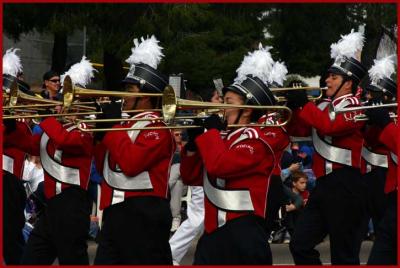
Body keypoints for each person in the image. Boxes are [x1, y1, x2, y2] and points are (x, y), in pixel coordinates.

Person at [180, 44, 277, 265]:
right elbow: (192, 177)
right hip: (214, 233)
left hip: (244, 233)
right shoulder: (224, 138)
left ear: (248, 109)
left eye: (228, 103)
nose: (222, 109)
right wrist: (194, 146)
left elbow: (220, 167)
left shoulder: (256, 141)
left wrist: (211, 134)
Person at [286, 29, 368, 265]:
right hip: (323, 186)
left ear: (348, 82)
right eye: (328, 76)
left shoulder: (356, 107)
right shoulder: (322, 106)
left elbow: (330, 127)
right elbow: (299, 131)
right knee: (299, 244)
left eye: (333, 76)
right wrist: (295, 109)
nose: (326, 80)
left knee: (343, 255)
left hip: (346, 185)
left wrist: (306, 105)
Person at [93, 35, 175, 265]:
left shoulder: (158, 127)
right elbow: (104, 168)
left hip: (145, 213)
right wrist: (99, 137)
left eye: (130, 89)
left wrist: (112, 129)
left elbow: (131, 164)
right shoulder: (124, 125)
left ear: (147, 95)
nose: (123, 95)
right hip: (116, 212)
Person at [169, 87, 222, 265]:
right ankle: (170, 254)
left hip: (215, 180)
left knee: (213, 222)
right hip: (202, 180)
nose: (221, 101)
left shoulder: (218, 121)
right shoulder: (206, 123)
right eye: (218, 98)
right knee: (197, 220)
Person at [364, 60, 397, 265]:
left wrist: (385, 122)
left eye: (373, 94)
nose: (368, 98)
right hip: (388, 189)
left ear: (386, 97)